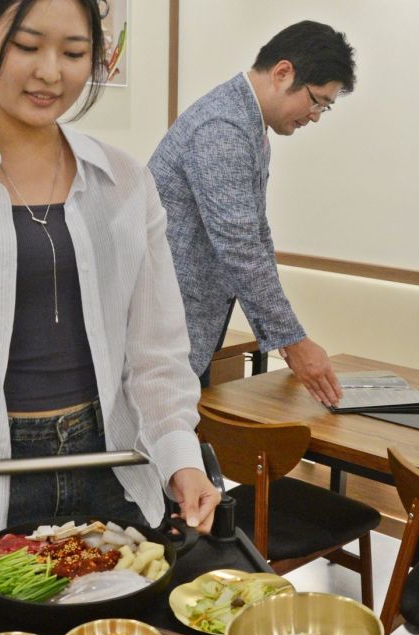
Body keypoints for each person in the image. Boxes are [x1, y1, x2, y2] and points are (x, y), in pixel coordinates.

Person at [0, 0, 220, 596]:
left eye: (74, 53)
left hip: (112, 457)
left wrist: (181, 457)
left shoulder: (123, 182)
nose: (50, 72)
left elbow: (156, 350)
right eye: (27, 45)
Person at [148, 21, 356, 407]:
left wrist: (286, 337)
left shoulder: (250, 125)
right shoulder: (222, 128)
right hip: (160, 332)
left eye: (324, 107)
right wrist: (294, 342)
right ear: (282, 73)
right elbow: (240, 248)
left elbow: (257, 236)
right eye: (317, 101)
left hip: (189, 327)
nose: (315, 116)